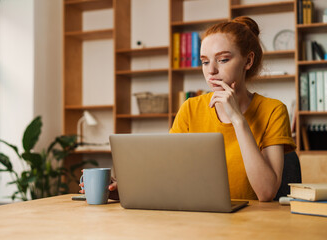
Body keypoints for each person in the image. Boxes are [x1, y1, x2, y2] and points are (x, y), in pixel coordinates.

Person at [80, 16, 296, 202]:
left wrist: (238, 120)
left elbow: (266, 192)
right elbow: (170, 174)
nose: (211, 71)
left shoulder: (273, 110)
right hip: (198, 218)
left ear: (248, 61)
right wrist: (127, 189)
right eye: (204, 61)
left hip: (254, 224)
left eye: (223, 59)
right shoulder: (190, 108)